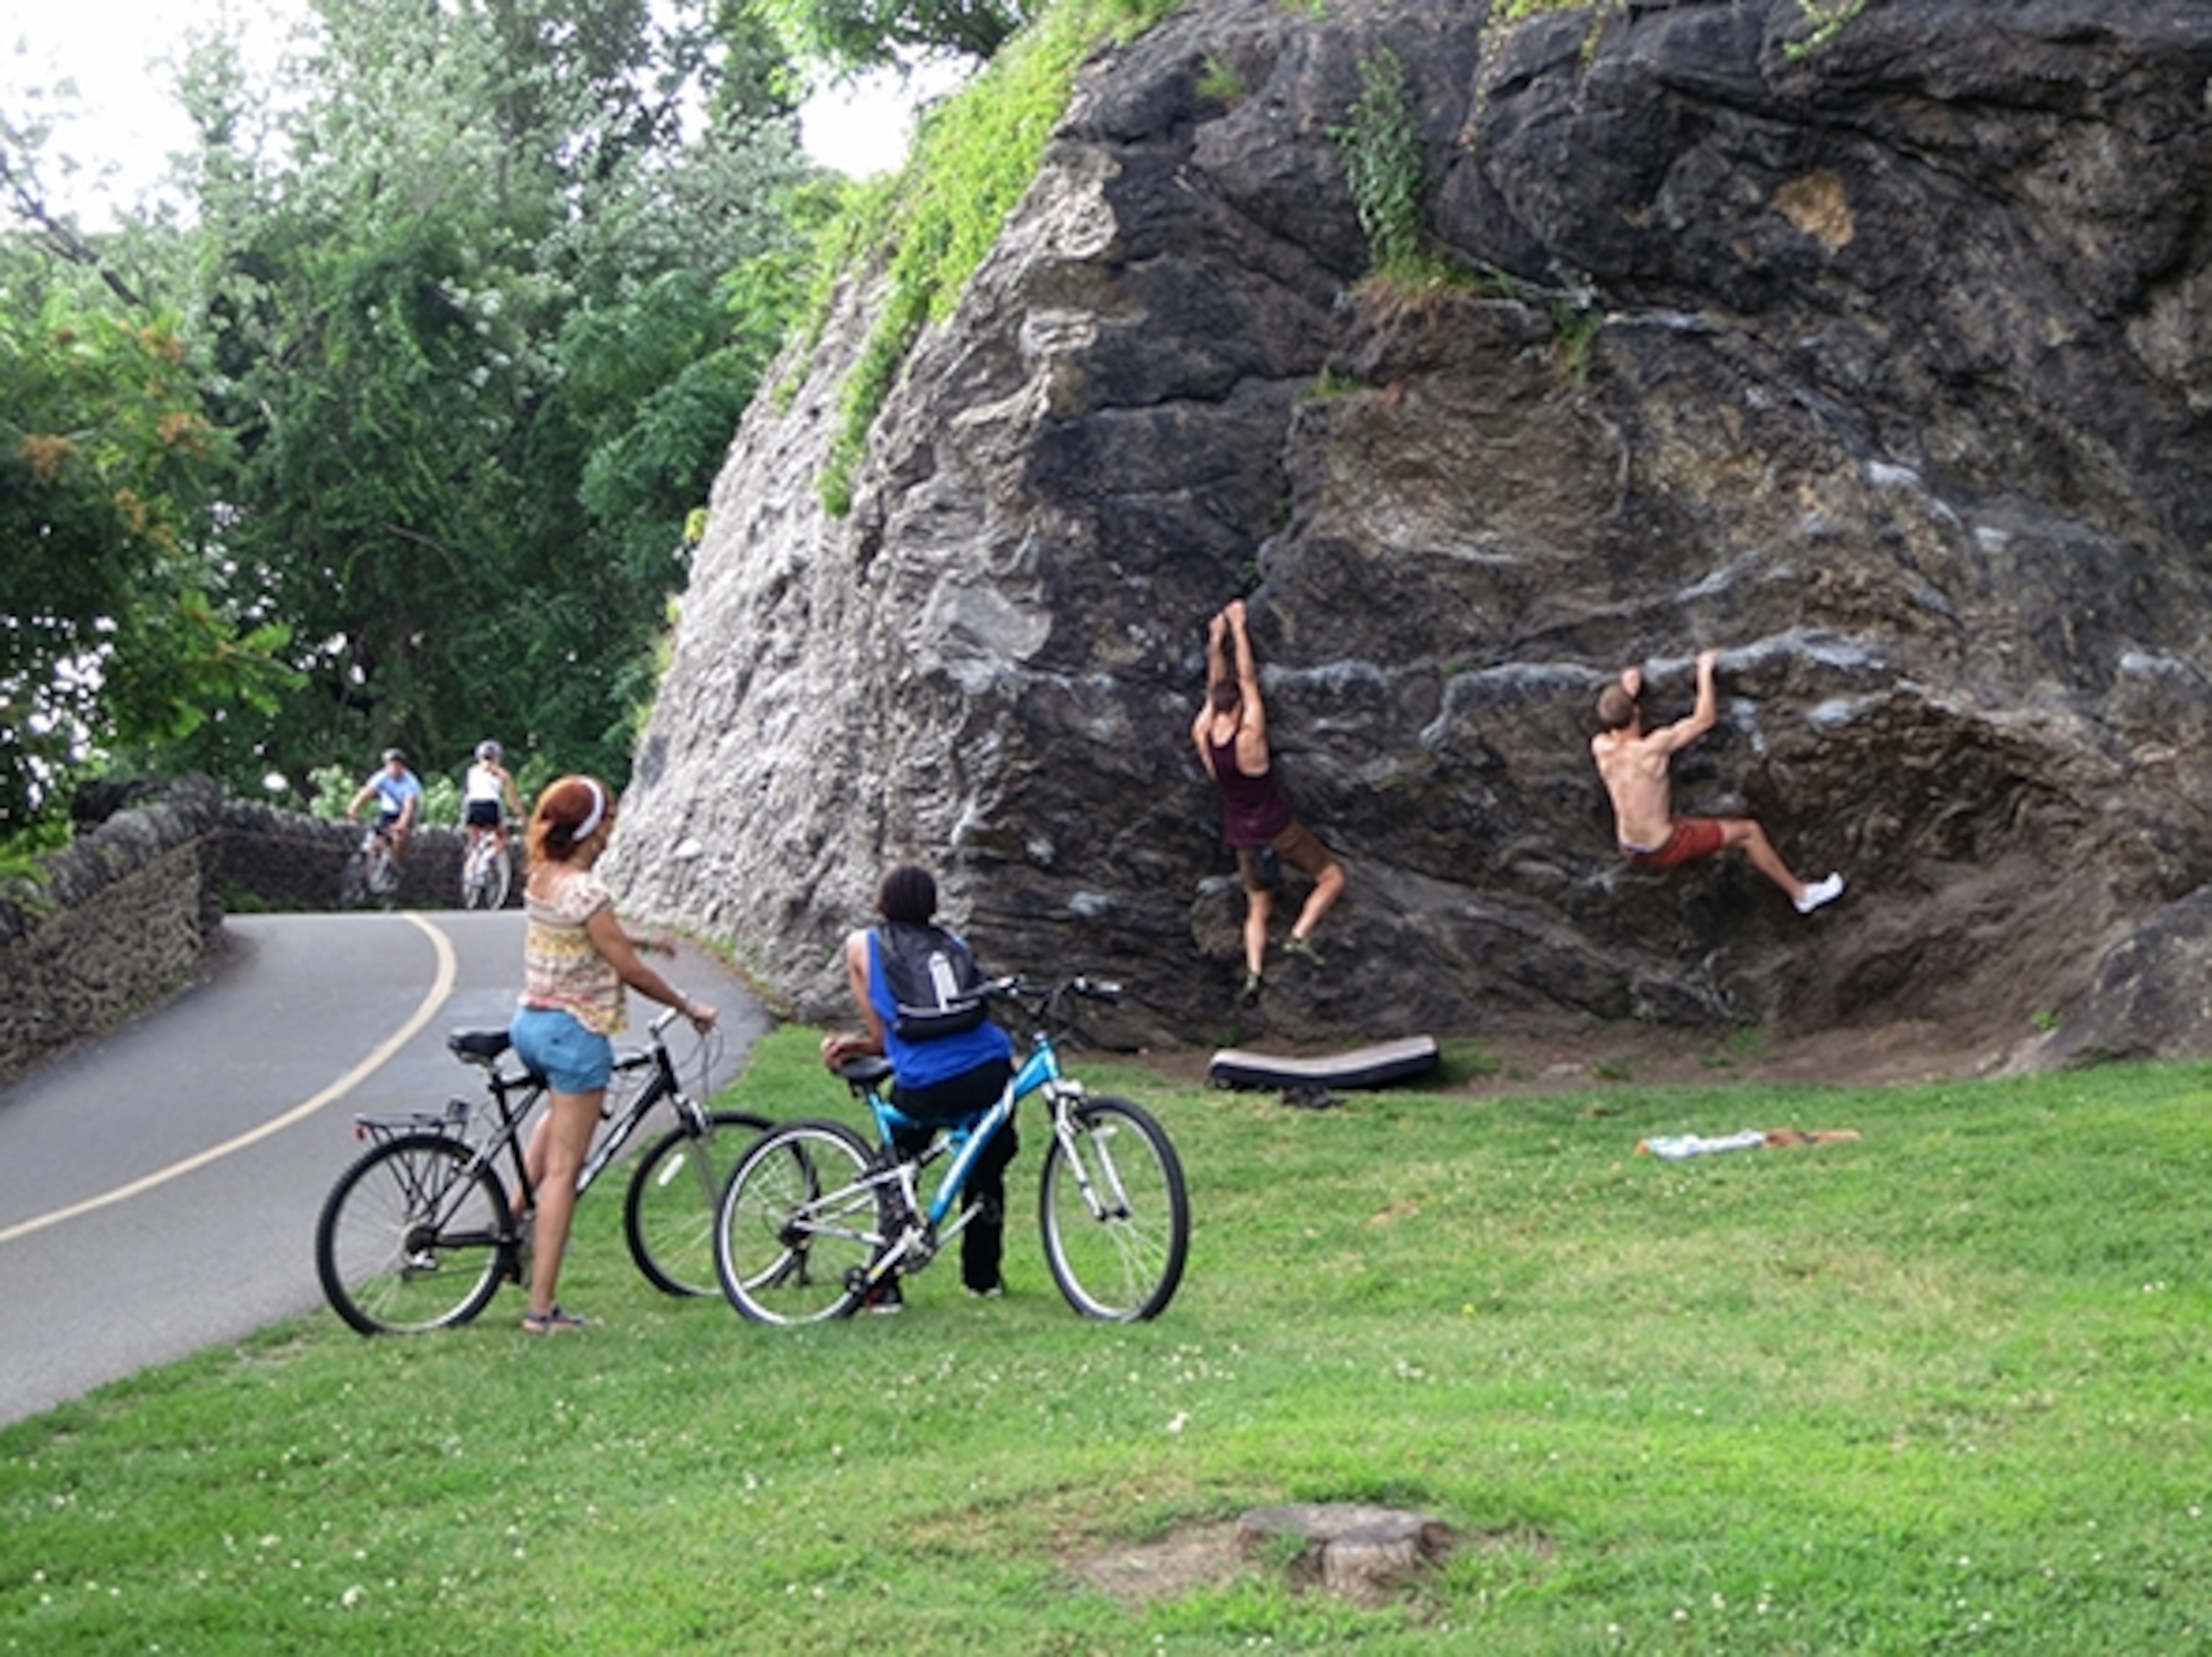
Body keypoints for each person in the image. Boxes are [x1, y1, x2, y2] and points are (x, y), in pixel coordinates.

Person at [508, 775, 716, 1333]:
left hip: (531, 1023)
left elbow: (591, 938)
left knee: (555, 1119)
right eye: (606, 819)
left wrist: (646, 941)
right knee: (563, 1174)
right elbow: (625, 967)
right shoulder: (588, 891)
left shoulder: (543, 878)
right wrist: (686, 1003)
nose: (610, 829)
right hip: (574, 1033)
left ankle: (510, 1224)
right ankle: (541, 1308)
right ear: (588, 828)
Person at [820, 864, 1018, 1310]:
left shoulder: (863, 945)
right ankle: (983, 1276)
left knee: (896, 1164)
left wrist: (863, 1044)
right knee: (988, 1159)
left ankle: (882, 1280)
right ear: (934, 907)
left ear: (880, 904)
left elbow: (882, 1033)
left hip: (926, 1081)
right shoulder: (956, 946)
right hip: (990, 1068)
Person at [1591, 649, 1845, 915]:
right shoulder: (1654, 749)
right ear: (1637, 712)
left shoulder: (1600, 747)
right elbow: (1704, 719)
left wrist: (1626, 693)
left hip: (1629, 846)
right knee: (1750, 833)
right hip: (1664, 846)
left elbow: (1616, 716)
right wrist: (1704, 671)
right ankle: (1801, 895)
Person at [1190, 598, 1346, 1006]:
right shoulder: (1249, 735)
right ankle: (1299, 935)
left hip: (1242, 835)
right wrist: (1239, 629)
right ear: (1238, 706)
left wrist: (1215, 639)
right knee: (1331, 877)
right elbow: (1247, 679)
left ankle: (1254, 975)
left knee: (1257, 906)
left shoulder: (1203, 734)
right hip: (1277, 827)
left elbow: (1217, 685)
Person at [345, 747, 423, 863]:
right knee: (375, 841)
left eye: (396, 765)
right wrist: (353, 809)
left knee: (399, 838)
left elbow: (409, 807)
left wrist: (401, 825)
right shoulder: (381, 777)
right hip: (388, 812)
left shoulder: (410, 782)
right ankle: (373, 865)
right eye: (390, 765)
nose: (392, 769)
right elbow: (366, 793)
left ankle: (396, 863)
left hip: (407, 813)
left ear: (402, 767)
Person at [462, 740, 523, 860]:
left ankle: (470, 867)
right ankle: (490, 858)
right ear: (498, 758)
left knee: (474, 841)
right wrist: (522, 817)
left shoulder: (471, 771)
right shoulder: (503, 774)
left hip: (472, 806)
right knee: (502, 836)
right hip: (491, 806)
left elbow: (468, 792)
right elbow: (513, 800)